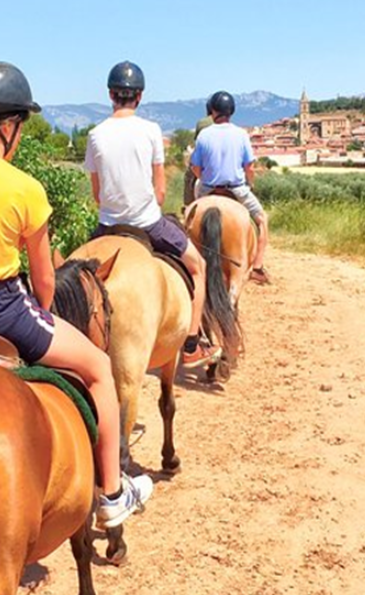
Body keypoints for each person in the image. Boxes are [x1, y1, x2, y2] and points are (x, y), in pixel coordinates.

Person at [0, 61, 152, 529]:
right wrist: (44, 318)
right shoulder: (22, 187)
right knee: (101, 371)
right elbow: (44, 282)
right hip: (3, 311)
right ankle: (110, 494)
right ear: (9, 127)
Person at [84, 61, 222, 367]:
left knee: (74, 275)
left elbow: (96, 194)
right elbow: (159, 191)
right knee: (198, 266)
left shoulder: (95, 135)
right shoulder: (151, 130)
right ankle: (190, 345)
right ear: (140, 96)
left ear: (110, 94)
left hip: (107, 227)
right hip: (148, 223)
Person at [190, 90, 271, 284]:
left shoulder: (204, 135)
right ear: (231, 111)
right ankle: (258, 267)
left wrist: (205, 179)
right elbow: (249, 167)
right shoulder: (242, 134)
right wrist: (249, 184)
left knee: (191, 216)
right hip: (236, 188)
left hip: (208, 188)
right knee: (262, 220)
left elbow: (195, 167)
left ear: (213, 111)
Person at [183, 100, 214, 207]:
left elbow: (198, 142)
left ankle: (188, 204)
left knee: (188, 175)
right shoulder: (225, 123)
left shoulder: (202, 123)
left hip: (205, 159)